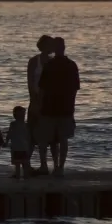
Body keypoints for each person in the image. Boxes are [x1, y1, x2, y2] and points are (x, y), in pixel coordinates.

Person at [37, 37, 80, 177]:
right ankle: (59, 167)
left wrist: (39, 106)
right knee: (62, 139)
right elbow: (74, 90)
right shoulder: (71, 65)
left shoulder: (49, 65)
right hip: (65, 107)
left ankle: (46, 165)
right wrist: (72, 110)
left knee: (45, 138)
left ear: (55, 49)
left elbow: (42, 88)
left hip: (49, 106)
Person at [27, 35, 57, 174]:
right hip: (36, 100)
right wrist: (34, 100)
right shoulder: (34, 61)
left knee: (51, 136)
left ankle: (51, 165)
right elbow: (30, 82)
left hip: (50, 102)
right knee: (33, 134)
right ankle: (27, 164)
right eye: (49, 44)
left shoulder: (54, 62)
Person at [5, 106, 31, 179]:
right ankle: (23, 176)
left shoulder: (15, 124)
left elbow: (9, 134)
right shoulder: (25, 125)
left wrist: (6, 142)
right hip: (21, 147)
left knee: (19, 163)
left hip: (18, 147)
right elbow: (28, 137)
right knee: (23, 163)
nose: (23, 116)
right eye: (23, 114)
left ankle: (18, 176)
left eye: (24, 114)